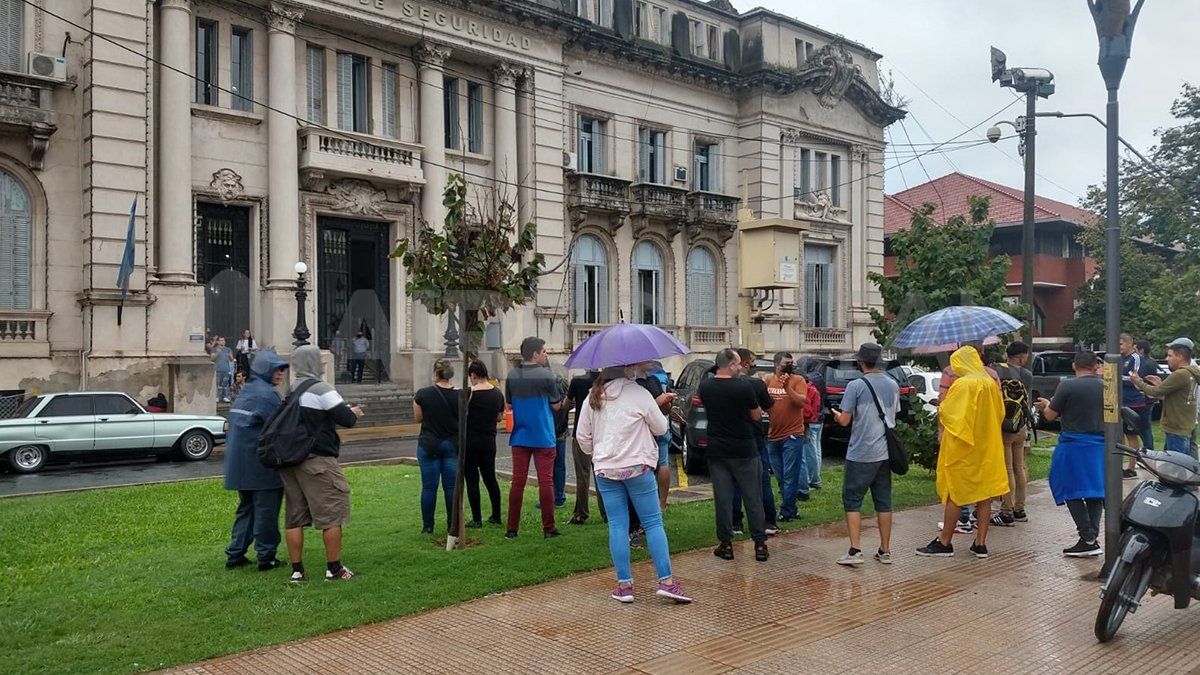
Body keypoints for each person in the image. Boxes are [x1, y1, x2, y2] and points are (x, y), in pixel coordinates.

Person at [576, 364, 691, 604]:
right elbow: (661, 427)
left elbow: (582, 437)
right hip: (638, 467)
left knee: (617, 525)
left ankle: (624, 586)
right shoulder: (639, 394)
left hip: (606, 469)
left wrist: (598, 453)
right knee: (653, 523)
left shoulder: (592, 398)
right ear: (628, 371)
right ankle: (666, 582)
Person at [280, 345, 363, 582]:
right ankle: (334, 569)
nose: (323, 363)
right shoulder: (321, 389)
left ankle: (297, 571)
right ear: (313, 363)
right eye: (319, 359)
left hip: (291, 460)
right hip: (318, 461)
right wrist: (354, 412)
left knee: (294, 516)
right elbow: (346, 419)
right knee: (332, 513)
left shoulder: (291, 389)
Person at [918, 344, 1009, 560]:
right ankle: (980, 543)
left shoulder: (963, 384)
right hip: (987, 447)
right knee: (984, 495)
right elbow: (1000, 412)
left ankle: (944, 542)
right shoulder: (990, 383)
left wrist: (941, 408)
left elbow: (951, 415)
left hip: (964, 448)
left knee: (956, 493)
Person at [1034, 351, 1107, 557]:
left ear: (1074, 366)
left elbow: (1050, 416)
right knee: (1095, 490)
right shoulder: (1106, 386)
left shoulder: (1067, 386)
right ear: (1095, 366)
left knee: (1068, 487)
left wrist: (1046, 405)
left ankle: (1087, 535)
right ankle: (1091, 538)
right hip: (1100, 445)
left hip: (1074, 444)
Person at [700, 348, 770, 562]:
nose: (740, 367)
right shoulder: (743, 386)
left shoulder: (706, 386)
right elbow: (756, 415)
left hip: (717, 449)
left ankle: (726, 544)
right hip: (744, 448)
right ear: (730, 364)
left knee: (723, 498)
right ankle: (759, 544)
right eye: (738, 363)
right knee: (753, 496)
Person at [223, 349, 289, 572]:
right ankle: (266, 557)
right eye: (277, 369)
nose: (280, 373)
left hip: (240, 465)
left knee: (247, 510)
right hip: (261, 464)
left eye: (282, 369)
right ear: (265, 369)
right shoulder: (268, 394)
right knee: (266, 512)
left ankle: (235, 554)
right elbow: (282, 427)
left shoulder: (247, 390)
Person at [831, 343, 896, 566]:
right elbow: (892, 414)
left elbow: (845, 420)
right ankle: (885, 550)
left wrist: (836, 414)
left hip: (860, 452)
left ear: (860, 362)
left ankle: (855, 550)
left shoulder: (856, 385)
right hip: (884, 453)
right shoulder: (892, 384)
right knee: (883, 502)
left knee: (852, 500)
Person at [505, 337, 566, 539]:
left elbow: (509, 405)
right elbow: (556, 406)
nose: (546, 354)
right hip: (543, 434)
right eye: (544, 351)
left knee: (517, 482)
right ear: (535, 354)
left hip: (520, 435)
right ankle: (549, 529)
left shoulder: (512, 375)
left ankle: (512, 529)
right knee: (546, 482)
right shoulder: (548, 376)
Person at [730, 348, 778, 535]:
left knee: (734, 483)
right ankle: (768, 522)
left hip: (733, 438)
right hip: (755, 438)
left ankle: (735, 523)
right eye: (753, 363)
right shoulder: (756, 384)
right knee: (762, 480)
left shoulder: (723, 385)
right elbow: (771, 409)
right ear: (745, 363)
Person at [1131, 338, 1200, 458]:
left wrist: (1138, 381)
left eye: (1170, 355)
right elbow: (1177, 396)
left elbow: (1155, 392)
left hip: (1176, 427)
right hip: (1185, 424)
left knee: (1178, 464)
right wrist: (1161, 385)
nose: (1167, 359)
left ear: (1180, 357)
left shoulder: (1180, 374)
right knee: (1184, 461)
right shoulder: (1192, 372)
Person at [413, 359, 459, 534]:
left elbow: (418, 418)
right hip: (451, 444)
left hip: (429, 443)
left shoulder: (423, 394)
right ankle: (452, 524)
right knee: (451, 487)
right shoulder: (460, 395)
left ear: (435, 374)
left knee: (429, 487)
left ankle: (428, 525)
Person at [990, 341, 1034, 526]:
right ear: (1022, 358)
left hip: (1003, 425)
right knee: (1019, 468)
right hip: (1020, 425)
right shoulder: (1027, 375)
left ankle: (1006, 511)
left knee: (1007, 469)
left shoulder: (996, 371)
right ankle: (1019, 509)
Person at [765, 351, 808, 523]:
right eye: (786, 363)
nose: (790, 366)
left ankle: (787, 511)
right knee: (780, 476)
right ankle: (792, 507)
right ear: (777, 365)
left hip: (793, 434)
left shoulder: (798, 380)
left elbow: (801, 402)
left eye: (792, 363)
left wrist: (787, 387)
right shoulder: (769, 380)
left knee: (790, 475)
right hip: (773, 435)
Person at [464, 360, 506, 528]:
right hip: (489, 441)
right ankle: (496, 514)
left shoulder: (468, 394)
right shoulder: (497, 393)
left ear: (473, 375)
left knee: (472, 480)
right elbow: (499, 417)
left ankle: (477, 518)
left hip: (470, 441)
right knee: (490, 478)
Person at [634, 361, 677, 510]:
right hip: (659, 427)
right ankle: (661, 503)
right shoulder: (654, 379)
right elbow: (665, 409)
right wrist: (662, 401)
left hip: (643, 431)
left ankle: (649, 504)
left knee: (644, 467)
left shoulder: (633, 383)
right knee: (662, 464)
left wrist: (663, 402)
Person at [567, 369, 605, 525]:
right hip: (600, 432)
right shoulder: (605, 382)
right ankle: (606, 512)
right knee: (602, 474)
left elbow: (567, 403)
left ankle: (581, 513)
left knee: (582, 475)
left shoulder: (577, 381)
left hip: (581, 431)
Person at [802, 357, 826, 490]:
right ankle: (816, 476)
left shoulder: (808, 380)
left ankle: (813, 479)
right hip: (820, 416)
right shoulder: (820, 377)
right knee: (817, 449)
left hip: (811, 419)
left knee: (810, 451)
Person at [210, 336, 234, 402]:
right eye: (221, 340)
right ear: (217, 342)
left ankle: (225, 396)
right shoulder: (214, 349)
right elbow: (212, 359)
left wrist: (230, 356)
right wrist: (217, 353)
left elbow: (231, 359)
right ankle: (217, 396)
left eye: (223, 340)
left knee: (225, 384)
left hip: (226, 369)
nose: (223, 342)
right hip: (218, 369)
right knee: (217, 384)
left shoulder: (228, 349)